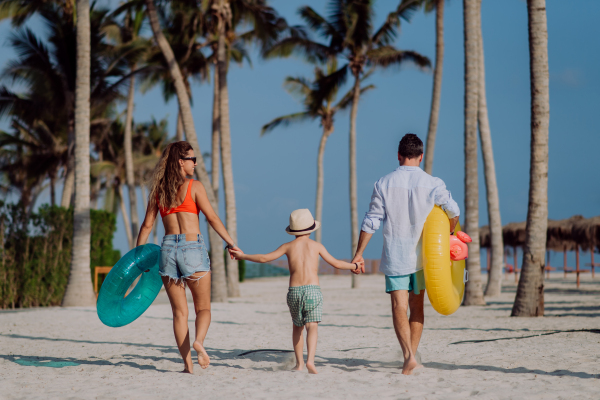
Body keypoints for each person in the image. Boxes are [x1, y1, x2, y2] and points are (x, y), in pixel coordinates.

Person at [351, 133, 460, 375]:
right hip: (425, 259)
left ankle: (408, 356)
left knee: (398, 306)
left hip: (395, 256)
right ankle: (412, 355)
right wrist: (451, 233)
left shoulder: (383, 183)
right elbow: (453, 210)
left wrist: (359, 253)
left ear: (399, 156)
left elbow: (372, 221)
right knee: (417, 306)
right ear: (420, 157)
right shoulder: (433, 183)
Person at [137, 141, 240, 374]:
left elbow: (146, 226)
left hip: (167, 251)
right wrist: (231, 243)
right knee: (203, 309)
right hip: (192, 248)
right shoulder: (194, 187)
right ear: (181, 162)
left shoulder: (159, 191)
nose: (195, 163)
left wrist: (138, 257)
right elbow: (212, 218)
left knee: (179, 313)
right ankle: (199, 342)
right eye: (192, 159)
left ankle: (187, 365)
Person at [230, 209, 364, 374]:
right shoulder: (316, 246)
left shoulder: (287, 246)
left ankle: (299, 363)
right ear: (311, 228)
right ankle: (311, 362)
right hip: (313, 290)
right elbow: (336, 264)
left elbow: (264, 258)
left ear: (293, 230)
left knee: (297, 327)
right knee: (312, 327)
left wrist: (242, 256)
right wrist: (355, 266)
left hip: (294, 291)